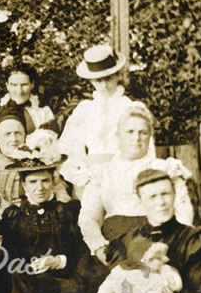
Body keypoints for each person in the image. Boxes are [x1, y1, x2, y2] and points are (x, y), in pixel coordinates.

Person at [0, 150, 94, 293]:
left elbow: (80, 249)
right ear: (24, 185)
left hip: (63, 280)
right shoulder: (14, 216)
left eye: (45, 181)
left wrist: (58, 260)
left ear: (53, 181)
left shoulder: (68, 212)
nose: (39, 187)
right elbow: (9, 253)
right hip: (26, 281)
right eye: (33, 182)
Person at [77, 102, 193, 261]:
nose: (136, 138)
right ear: (118, 136)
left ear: (150, 136)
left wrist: (173, 245)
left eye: (143, 132)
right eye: (130, 132)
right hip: (113, 245)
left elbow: (182, 209)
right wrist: (100, 248)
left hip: (158, 242)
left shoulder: (164, 168)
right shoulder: (103, 172)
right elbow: (89, 217)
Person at [58, 45, 155, 192]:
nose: (104, 85)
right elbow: (69, 148)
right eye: (98, 80)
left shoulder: (131, 107)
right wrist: (82, 175)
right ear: (91, 81)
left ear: (118, 75)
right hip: (90, 179)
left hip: (124, 177)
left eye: (108, 78)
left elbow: (146, 148)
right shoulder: (85, 109)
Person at [0, 106, 70, 215]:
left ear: (25, 136)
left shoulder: (41, 163)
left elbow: (63, 199)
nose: (14, 139)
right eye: (7, 134)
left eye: (18, 133)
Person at [0, 58, 55, 134]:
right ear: (7, 86)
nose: (19, 91)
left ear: (32, 84)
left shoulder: (43, 113)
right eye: (14, 85)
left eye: (24, 85)